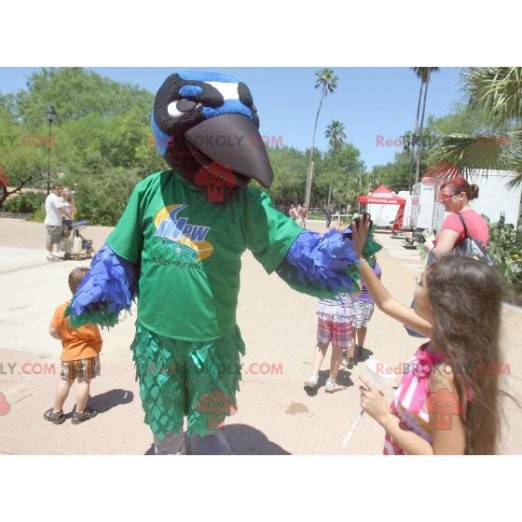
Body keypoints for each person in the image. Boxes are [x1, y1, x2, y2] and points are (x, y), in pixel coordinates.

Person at [352, 215, 509, 455]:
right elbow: (386, 303)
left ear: (441, 303)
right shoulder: (445, 337)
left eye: (421, 281)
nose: (416, 285)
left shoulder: (445, 377)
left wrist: (383, 415)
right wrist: (359, 257)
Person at [44, 267, 102, 425]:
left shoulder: (61, 309)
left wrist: (63, 337)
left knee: (64, 382)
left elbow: (52, 330)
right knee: (84, 382)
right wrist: (97, 349)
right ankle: (79, 413)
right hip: (87, 354)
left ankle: (56, 412)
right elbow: (96, 336)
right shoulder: (89, 312)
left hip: (68, 354)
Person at [425, 177, 489, 261]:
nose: (441, 201)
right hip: (475, 271)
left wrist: (430, 247)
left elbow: (441, 254)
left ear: (462, 196)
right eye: (440, 197)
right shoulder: (480, 219)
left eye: (446, 196)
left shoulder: (455, 218)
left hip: (456, 272)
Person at [304, 292, 355, 393]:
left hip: (325, 308)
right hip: (343, 312)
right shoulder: (353, 275)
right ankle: (331, 382)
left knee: (322, 343)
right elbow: (357, 293)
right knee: (338, 347)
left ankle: (313, 376)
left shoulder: (326, 274)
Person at [352, 258, 381, 361]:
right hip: (369, 301)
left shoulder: (359, 265)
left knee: (354, 326)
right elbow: (378, 285)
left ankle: (351, 355)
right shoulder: (376, 267)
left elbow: (356, 285)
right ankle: (359, 348)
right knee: (362, 325)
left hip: (358, 300)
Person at [44, 184, 70, 261]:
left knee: (54, 239)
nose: (59, 190)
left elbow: (62, 205)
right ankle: (50, 255)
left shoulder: (53, 197)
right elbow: (61, 208)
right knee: (51, 239)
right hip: (53, 222)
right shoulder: (53, 197)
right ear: (53, 190)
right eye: (57, 189)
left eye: (60, 189)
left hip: (54, 222)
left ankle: (52, 254)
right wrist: (69, 216)